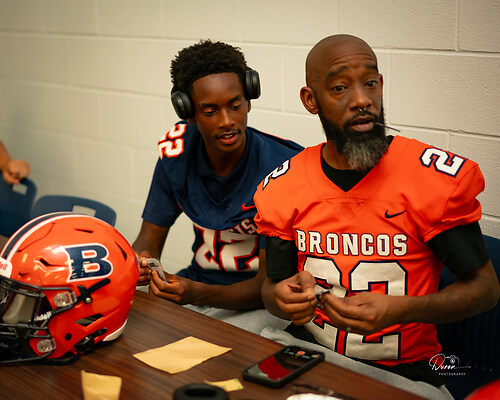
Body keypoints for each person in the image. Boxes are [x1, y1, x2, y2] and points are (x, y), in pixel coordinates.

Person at [253, 34, 499, 389]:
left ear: (381, 85)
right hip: (306, 353)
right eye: (340, 88)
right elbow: (271, 289)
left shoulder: (429, 178)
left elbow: (486, 289)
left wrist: (402, 309)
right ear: (311, 100)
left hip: (404, 371)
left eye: (370, 83)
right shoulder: (285, 185)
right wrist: (282, 300)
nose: (361, 100)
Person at [133, 40, 303, 313]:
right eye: (211, 112)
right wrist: (141, 261)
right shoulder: (178, 155)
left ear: (248, 100)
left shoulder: (280, 167)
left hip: (256, 303)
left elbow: (269, 287)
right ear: (188, 113)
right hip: (197, 285)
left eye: (235, 106)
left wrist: (199, 294)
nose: (226, 121)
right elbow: (148, 239)